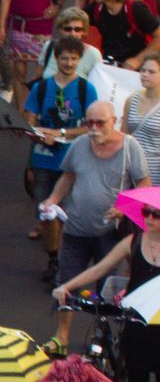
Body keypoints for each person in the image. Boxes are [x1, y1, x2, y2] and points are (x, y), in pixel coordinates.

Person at [46, 98, 151, 348]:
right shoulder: (81, 144)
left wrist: (124, 209)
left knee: (106, 292)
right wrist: (53, 199)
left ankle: (103, 336)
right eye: (89, 122)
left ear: (113, 121)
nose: (94, 127)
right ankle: (61, 337)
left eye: (100, 122)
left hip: (109, 233)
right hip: (75, 229)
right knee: (66, 283)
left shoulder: (130, 147)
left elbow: (144, 186)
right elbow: (68, 177)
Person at [60, 200, 160, 382]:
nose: (149, 218)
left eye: (156, 214)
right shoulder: (134, 242)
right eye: (145, 212)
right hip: (135, 324)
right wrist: (67, 286)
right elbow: (100, 268)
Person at [25, 38, 99, 280]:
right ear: (56, 59)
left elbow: (92, 126)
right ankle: (54, 258)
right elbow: (29, 123)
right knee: (47, 213)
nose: (69, 63)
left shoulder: (85, 89)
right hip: (43, 160)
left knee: (69, 213)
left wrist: (62, 133)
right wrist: (38, 135)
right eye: (65, 58)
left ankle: (67, 259)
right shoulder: (41, 88)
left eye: (74, 58)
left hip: (74, 161)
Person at [3, 0, 76, 106]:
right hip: (18, 25)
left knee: (41, 73)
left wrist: (57, 6)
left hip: (41, 26)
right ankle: (20, 112)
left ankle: (34, 110)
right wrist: (1, 26)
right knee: (19, 72)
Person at [86, 0, 158, 60]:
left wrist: (137, 60)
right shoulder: (95, 9)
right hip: (109, 64)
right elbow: (74, 21)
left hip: (137, 68)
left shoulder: (137, 9)